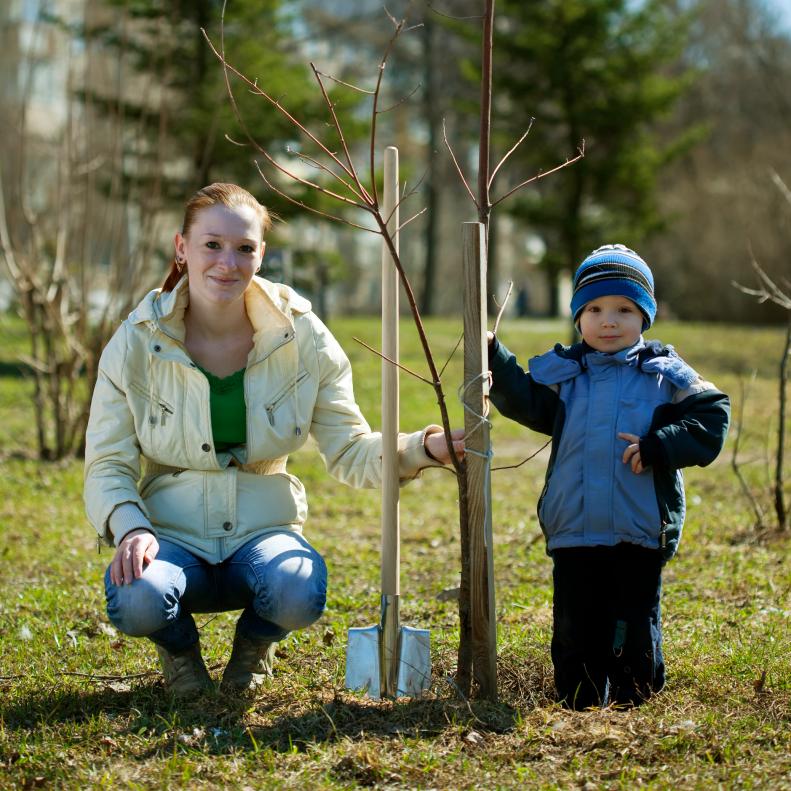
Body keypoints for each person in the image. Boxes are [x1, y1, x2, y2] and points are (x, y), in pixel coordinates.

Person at [84, 182, 462, 696]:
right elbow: (107, 464)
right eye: (211, 244)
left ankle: (254, 648)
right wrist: (131, 529)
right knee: (137, 597)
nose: (227, 262)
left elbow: (350, 449)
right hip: (169, 535)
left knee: (296, 587)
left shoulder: (301, 335)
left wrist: (424, 448)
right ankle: (179, 653)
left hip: (261, 533)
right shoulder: (136, 340)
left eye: (244, 248)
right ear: (181, 248)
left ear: (261, 255)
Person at [487, 244, 730, 709]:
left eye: (624, 309)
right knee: (576, 621)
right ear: (578, 317)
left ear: (645, 317)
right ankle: (578, 696)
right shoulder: (564, 374)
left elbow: (712, 417)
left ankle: (633, 693)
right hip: (574, 527)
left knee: (632, 619)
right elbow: (524, 399)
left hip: (637, 529)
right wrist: (494, 356)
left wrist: (661, 445)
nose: (608, 321)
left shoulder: (664, 374)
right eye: (594, 309)